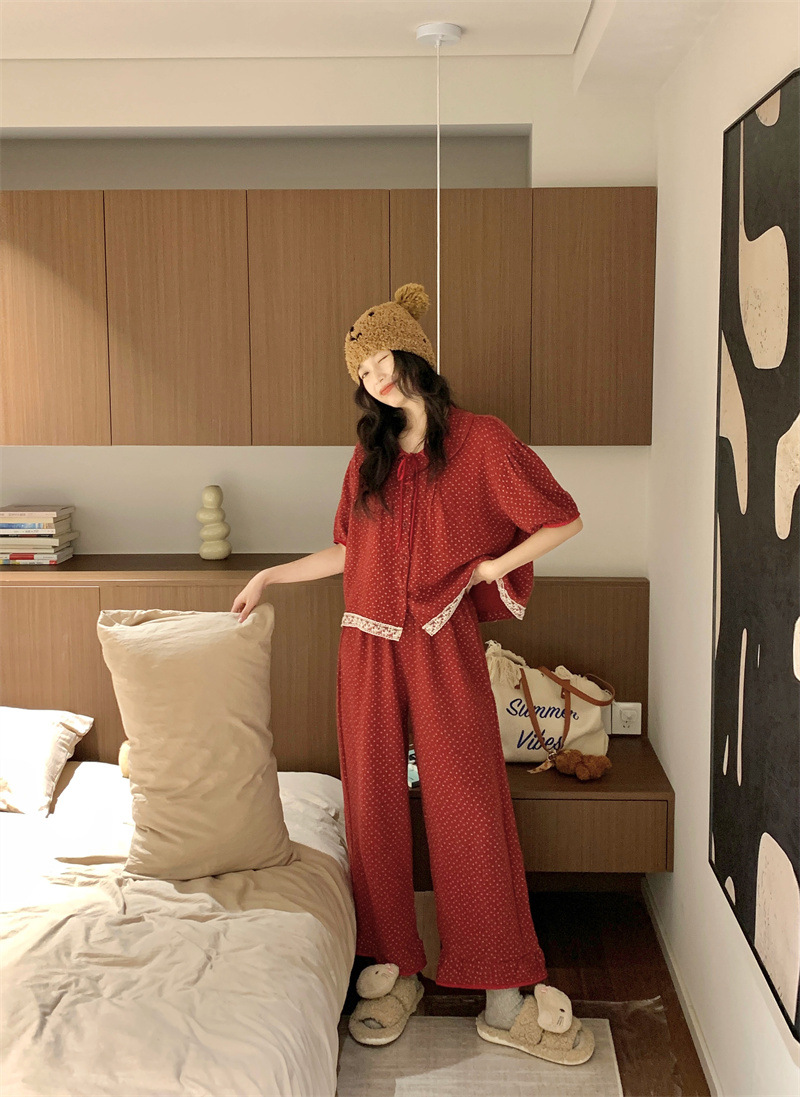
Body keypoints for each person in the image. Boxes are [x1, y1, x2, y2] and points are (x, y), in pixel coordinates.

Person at [232, 283, 593, 1063]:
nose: (376, 378)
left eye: (382, 359)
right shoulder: (368, 459)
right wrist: (268, 575)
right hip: (366, 646)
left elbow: (562, 516)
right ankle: (395, 967)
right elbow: (347, 551)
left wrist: (490, 565)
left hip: (441, 640)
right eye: (362, 371)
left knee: (469, 806)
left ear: (412, 352)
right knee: (372, 809)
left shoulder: (482, 442)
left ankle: (501, 990)